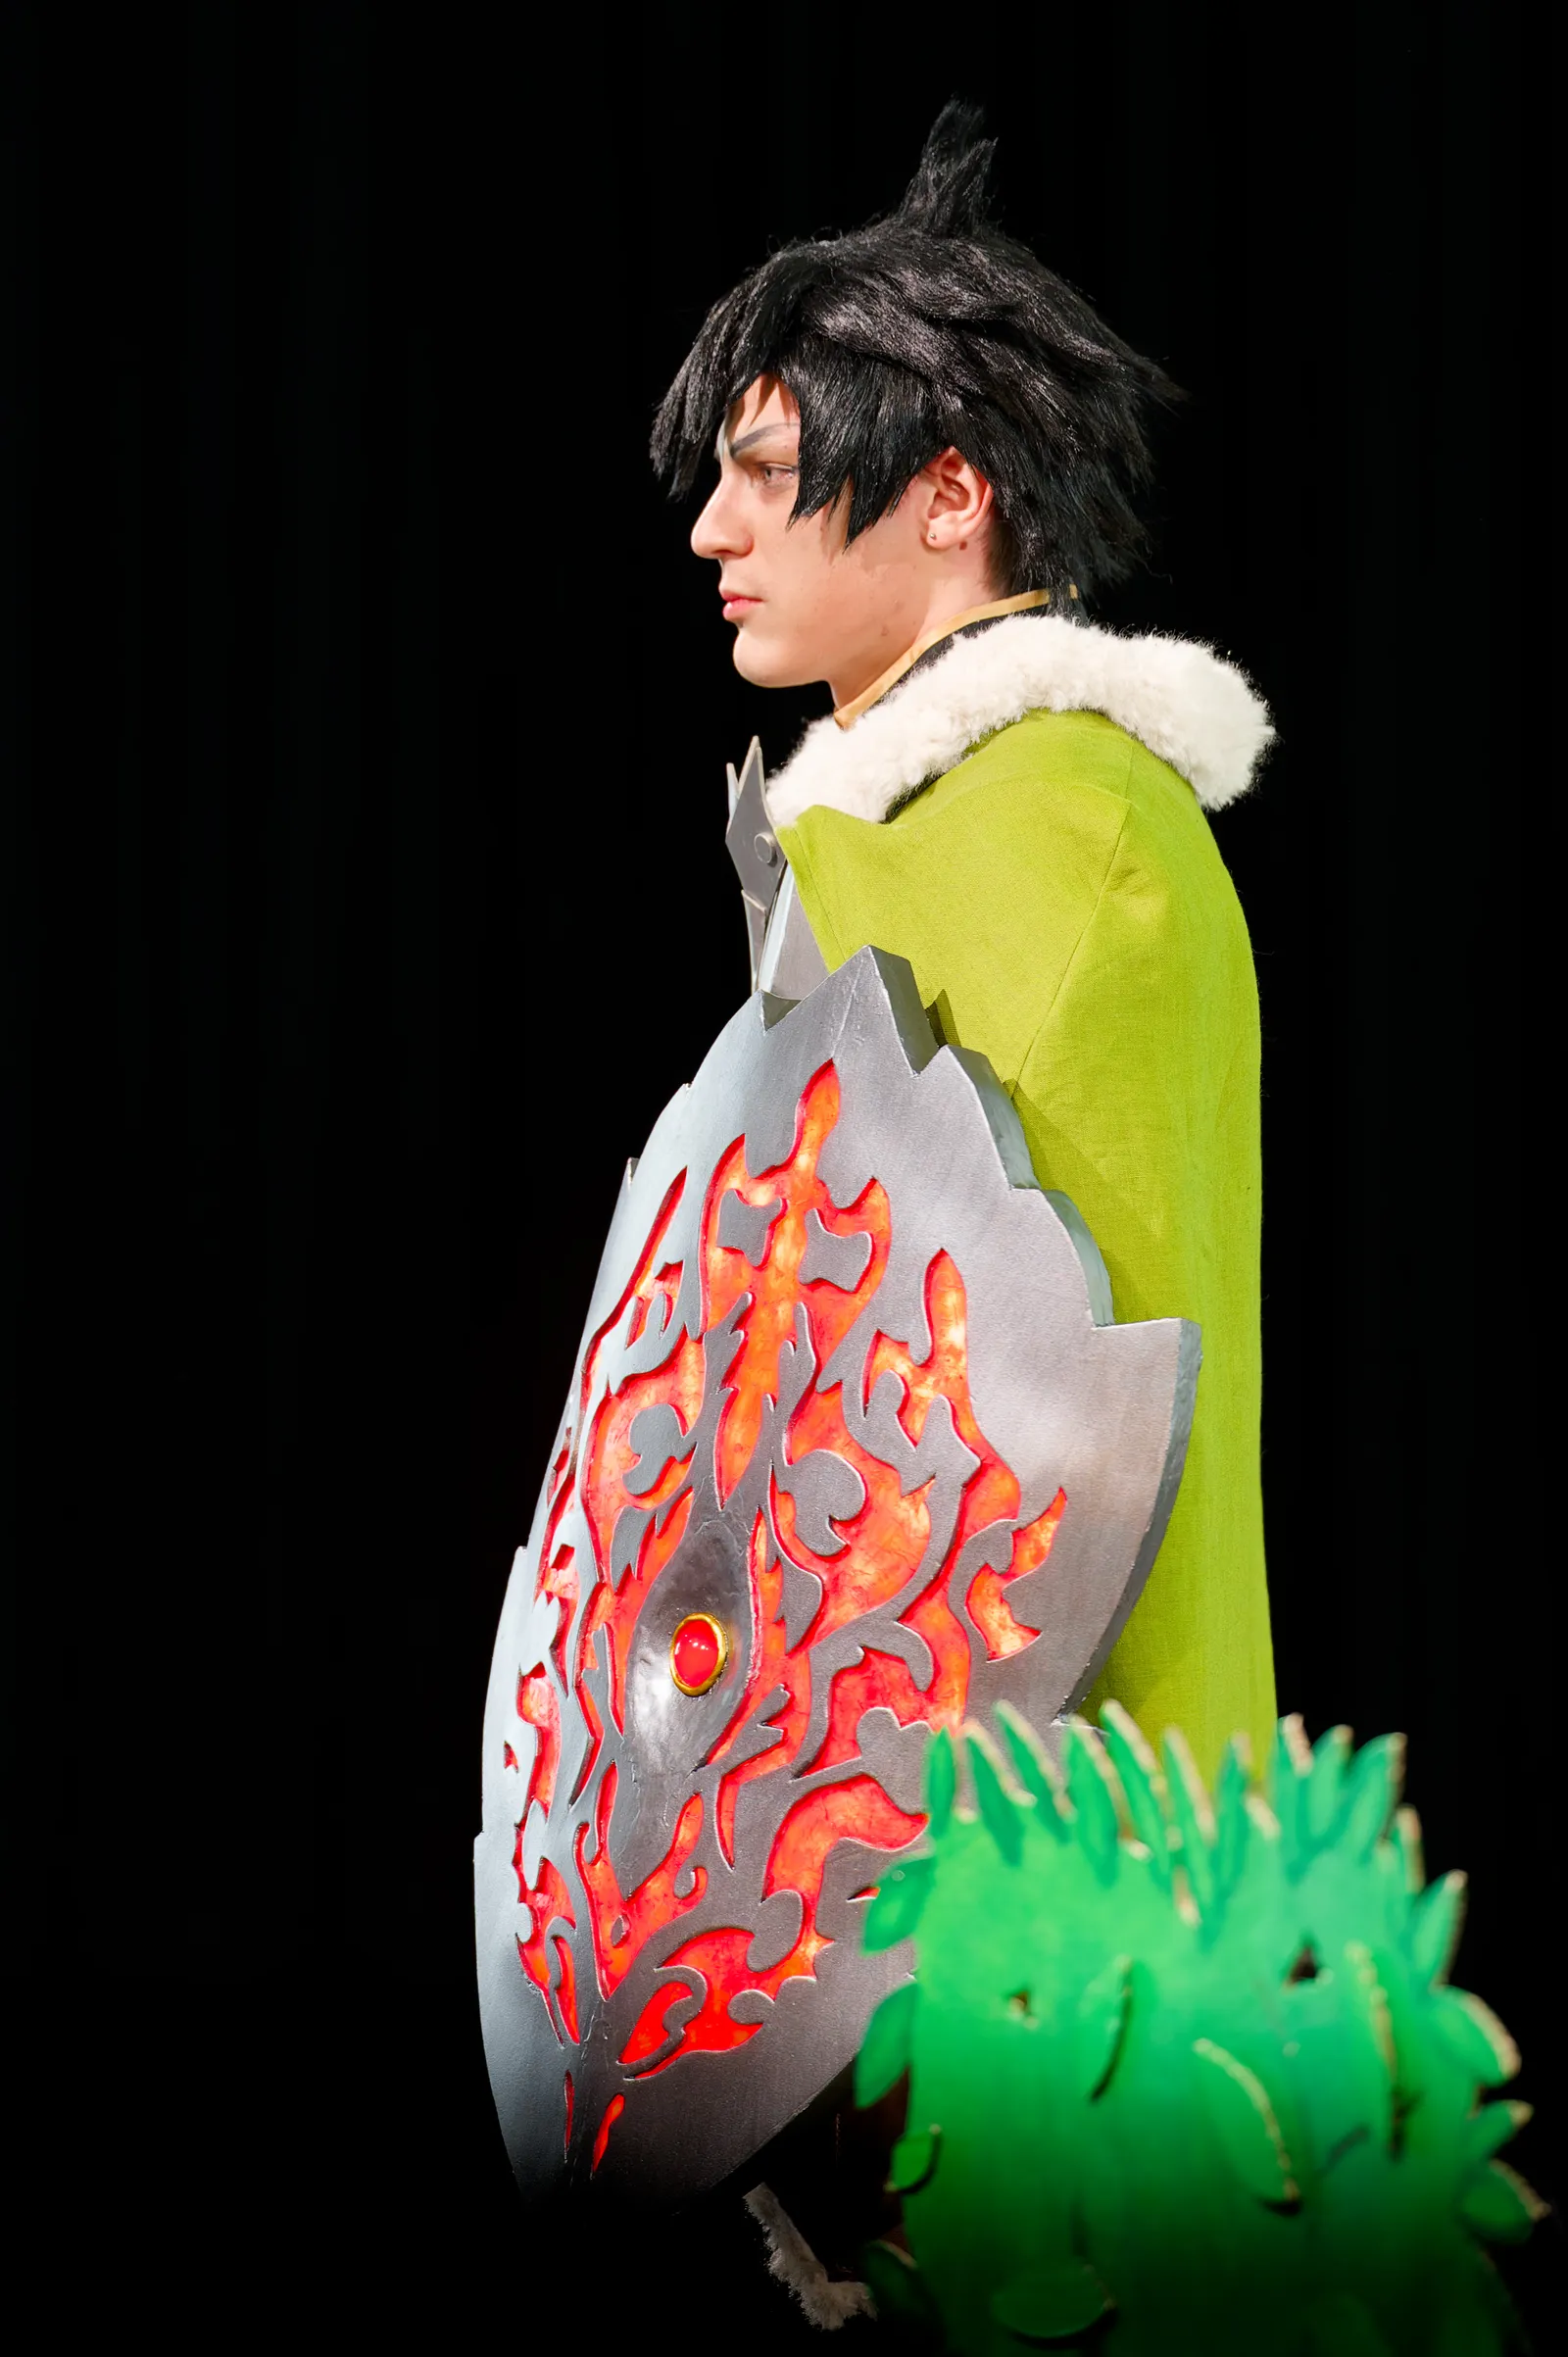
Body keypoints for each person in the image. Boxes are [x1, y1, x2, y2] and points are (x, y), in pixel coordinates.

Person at [652, 100, 1276, 1784]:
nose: (714, 529)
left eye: (766, 474)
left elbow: (1028, 1416)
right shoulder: (942, 829)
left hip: (1045, 1813)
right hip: (884, 1784)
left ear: (947, 495)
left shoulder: (1066, 826)